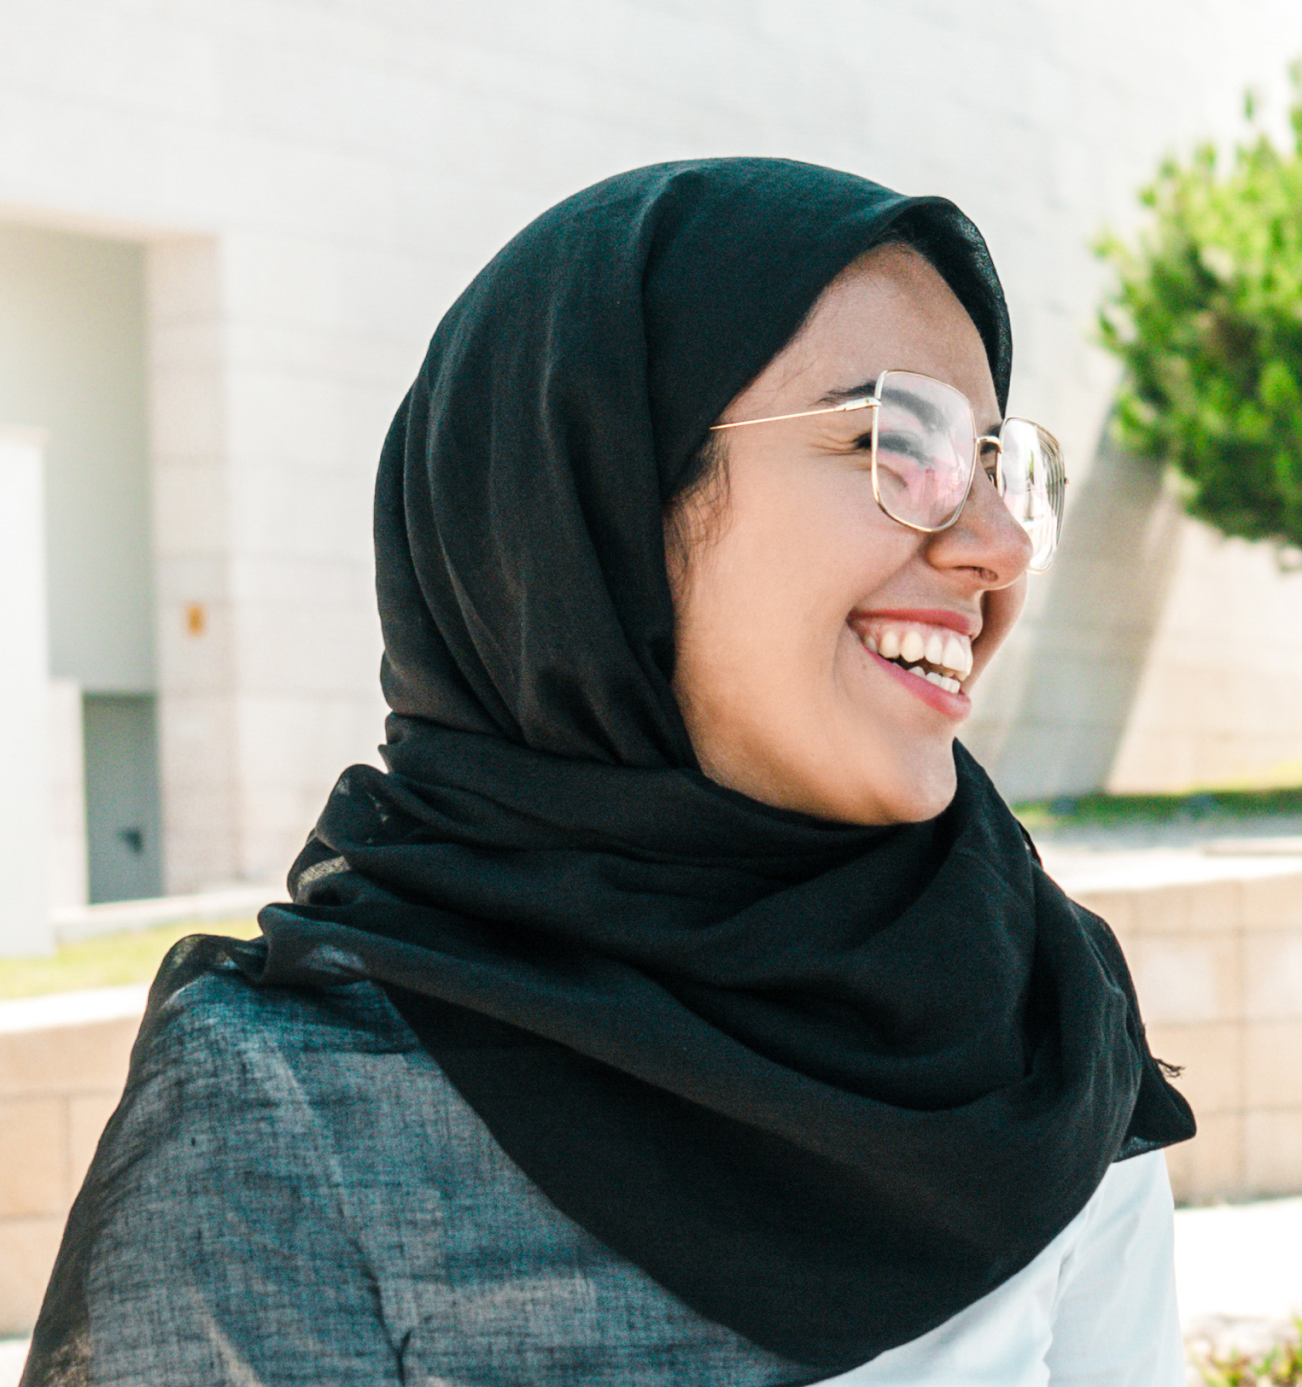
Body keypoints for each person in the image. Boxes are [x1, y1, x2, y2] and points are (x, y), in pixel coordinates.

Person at [22, 158, 1194, 1387]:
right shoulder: (298, 1120)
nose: (1000, 547)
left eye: (1004, 467)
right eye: (894, 442)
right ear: (597, 506)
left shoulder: (1040, 1030)